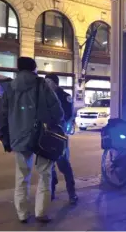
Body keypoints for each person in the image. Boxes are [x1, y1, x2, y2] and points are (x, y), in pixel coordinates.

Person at [0, 57, 64, 224]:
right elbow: (58, 111)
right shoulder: (42, 85)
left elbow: (1, 115)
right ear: (34, 68)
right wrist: (55, 123)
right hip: (42, 137)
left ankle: (22, 214)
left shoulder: (9, 88)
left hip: (18, 137)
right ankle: (41, 212)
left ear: (18, 69)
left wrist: (5, 136)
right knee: (45, 174)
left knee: (21, 176)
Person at [44, 73, 78, 205]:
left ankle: (72, 192)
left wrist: (63, 128)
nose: (46, 84)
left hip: (60, 135)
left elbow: (69, 115)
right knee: (49, 165)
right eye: (45, 81)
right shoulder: (44, 95)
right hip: (47, 134)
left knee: (63, 164)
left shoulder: (65, 96)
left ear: (55, 83)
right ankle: (51, 191)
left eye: (49, 81)